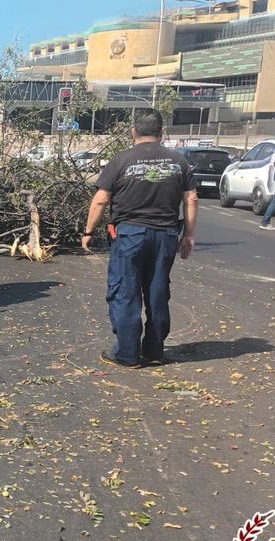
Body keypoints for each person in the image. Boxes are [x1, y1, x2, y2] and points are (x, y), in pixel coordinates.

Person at [82, 108, 197, 368]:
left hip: (130, 235)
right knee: (157, 292)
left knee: (125, 292)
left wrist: (88, 232)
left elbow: (101, 199)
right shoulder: (179, 162)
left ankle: (127, 354)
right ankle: (154, 350)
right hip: (166, 235)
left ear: (134, 131)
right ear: (161, 133)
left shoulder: (121, 161)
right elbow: (191, 198)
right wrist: (188, 235)